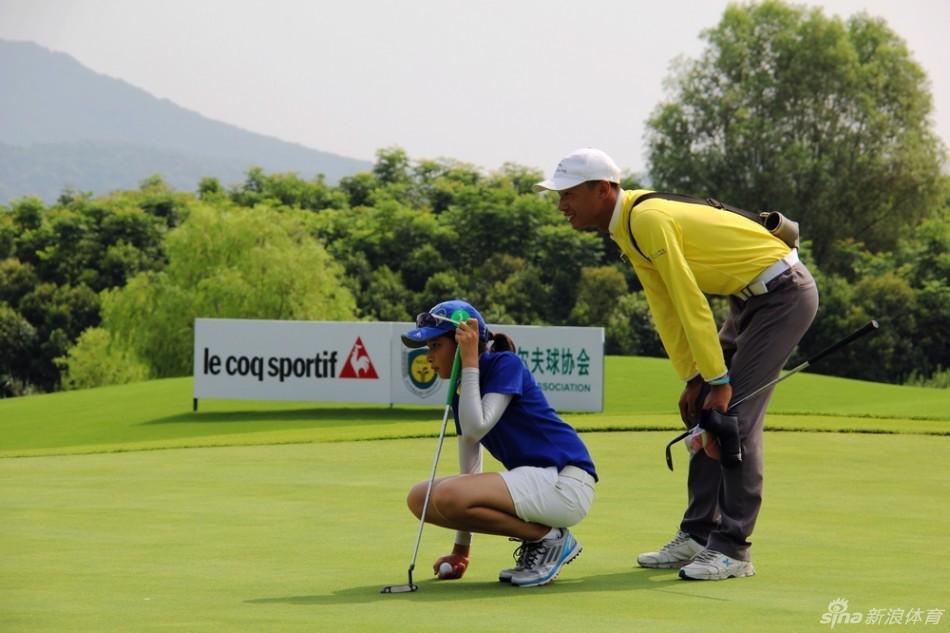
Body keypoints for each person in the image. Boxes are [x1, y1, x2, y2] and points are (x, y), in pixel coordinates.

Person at [533, 148, 818, 581]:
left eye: (568, 194)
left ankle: (733, 549)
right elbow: (663, 304)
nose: (561, 205)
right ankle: (698, 535)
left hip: (783, 294)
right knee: (707, 408)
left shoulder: (645, 219)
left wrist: (718, 379)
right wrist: (695, 377)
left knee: (733, 420)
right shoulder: (626, 226)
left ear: (602, 189)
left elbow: (689, 302)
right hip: (748, 297)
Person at [400, 299, 598, 587]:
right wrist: (461, 550)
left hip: (565, 483)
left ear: (464, 341)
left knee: (445, 494)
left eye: (436, 346)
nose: (429, 357)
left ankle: (549, 539)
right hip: (538, 483)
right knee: (420, 498)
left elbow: (475, 428)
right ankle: (544, 538)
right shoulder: (462, 391)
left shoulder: (505, 364)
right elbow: (469, 471)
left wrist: (469, 362)